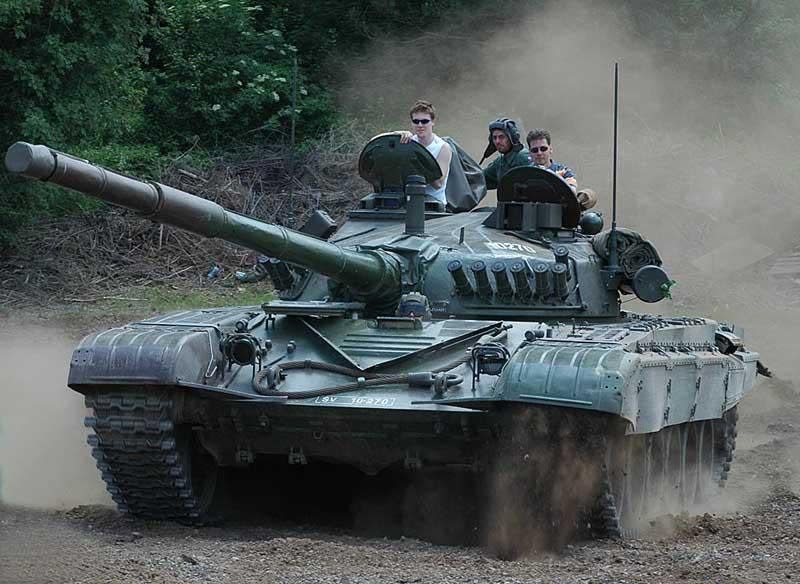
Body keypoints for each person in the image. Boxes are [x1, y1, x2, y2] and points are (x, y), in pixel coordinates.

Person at [392, 100, 453, 204]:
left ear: (433, 122)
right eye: (416, 121)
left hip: (434, 205)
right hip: (408, 201)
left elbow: (438, 184)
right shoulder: (408, 141)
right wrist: (394, 135)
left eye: (425, 121)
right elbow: (373, 143)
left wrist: (418, 159)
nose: (420, 125)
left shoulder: (443, 147)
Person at [480, 118, 532, 190]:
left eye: (501, 137)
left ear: (512, 138)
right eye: (494, 138)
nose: (497, 141)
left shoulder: (523, 157)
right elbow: (480, 178)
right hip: (506, 200)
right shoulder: (500, 162)